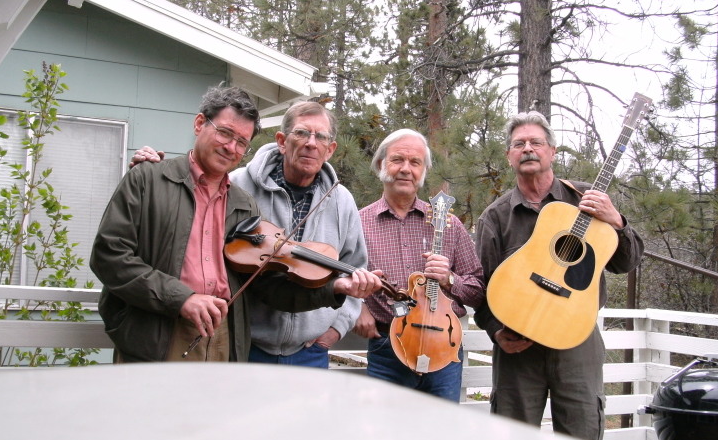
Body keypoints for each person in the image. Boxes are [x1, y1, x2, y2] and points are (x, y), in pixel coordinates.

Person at [91, 86, 381, 363]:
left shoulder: (243, 203)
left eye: (241, 141)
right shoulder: (148, 179)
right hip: (155, 333)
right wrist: (183, 299)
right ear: (199, 124)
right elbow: (109, 257)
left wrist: (335, 288)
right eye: (225, 133)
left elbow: (266, 286)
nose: (231, 147)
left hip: (224, 338)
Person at [474, 110, 644, 440]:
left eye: (536, 142)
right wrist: (496, 331)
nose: (527, 149)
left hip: (576, 337)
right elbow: (480, 285)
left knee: (582, 439)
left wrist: (616, 220)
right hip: (518, 342)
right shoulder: (496, 217)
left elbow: (626, 262)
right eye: (519, 144)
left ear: (552, 151)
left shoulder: (587, 199)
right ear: (509, 156)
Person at [352, 129, 485, 401]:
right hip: (387, 348)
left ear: (423, 171)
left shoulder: (448, 224)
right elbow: (338, 277)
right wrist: (356, 307)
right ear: (381, 164)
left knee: (441, 427)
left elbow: (477, 291)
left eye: (415, 162)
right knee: (385, 427)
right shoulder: (357, 223)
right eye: (397, 159)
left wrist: (449, 279)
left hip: (444, 349)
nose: (406, 169)